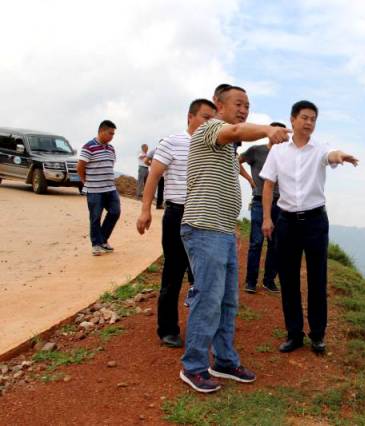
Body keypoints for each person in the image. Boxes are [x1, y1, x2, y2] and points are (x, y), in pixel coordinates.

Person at [179, 85, 291, 393]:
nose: (243, 109)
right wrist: (269, 129)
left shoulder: (227, 148)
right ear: (219, 105)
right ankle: (194, 366)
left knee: (228, 301)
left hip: (223, 231)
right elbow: (238, 129)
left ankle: (224, 361)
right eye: (238, 103)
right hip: (204, 228)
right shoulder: (210, 128)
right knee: (209, 299)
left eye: (247, 105)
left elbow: (238, 133)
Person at [260, 100, 358, 354]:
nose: (309, 122)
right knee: (289, 280)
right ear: (292, 119)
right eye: (304, 117)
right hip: (287, 222)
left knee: (317, 279)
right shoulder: (278, 151)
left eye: (313, 119)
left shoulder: (319, 148)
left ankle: (317, 335)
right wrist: (267, 218)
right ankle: (294, 334)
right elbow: (269, 184)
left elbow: (331, 156)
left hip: (315, 222)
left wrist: (341, 156)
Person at [136, 99, 216, 348]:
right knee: (173, 272)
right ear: (190, 117)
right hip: (178, 214)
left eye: (212, 119)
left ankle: (202, 328)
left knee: (202, 275)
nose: (209, 123)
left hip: (204, 215)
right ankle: (168, 329)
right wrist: (145, 210)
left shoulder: (213, 145)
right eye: (205, 117)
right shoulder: (172, 142)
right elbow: (154, 176)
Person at [239, 122, 286, 294]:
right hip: (259, 201)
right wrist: (250, 180)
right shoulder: (256, 151)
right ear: (271, 134)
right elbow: (237, 161)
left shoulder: (287, 154)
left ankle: (269, 280)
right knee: (256, 242)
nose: (282, 137)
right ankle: (250, 281)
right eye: (278, 133)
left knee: (276, 244)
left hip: (281, 203)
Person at [77, 120, 121, 256]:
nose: (112, 136)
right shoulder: (88, 147)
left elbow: (110, 165)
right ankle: (96, 244)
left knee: (115, 212)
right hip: (95, 190)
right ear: (102, 131)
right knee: (95, 217)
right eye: (110, 133)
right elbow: (80, 166)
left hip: (110, 188)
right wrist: (85, 181)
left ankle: (102, 240)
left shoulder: (111, 148)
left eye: (113, 134)